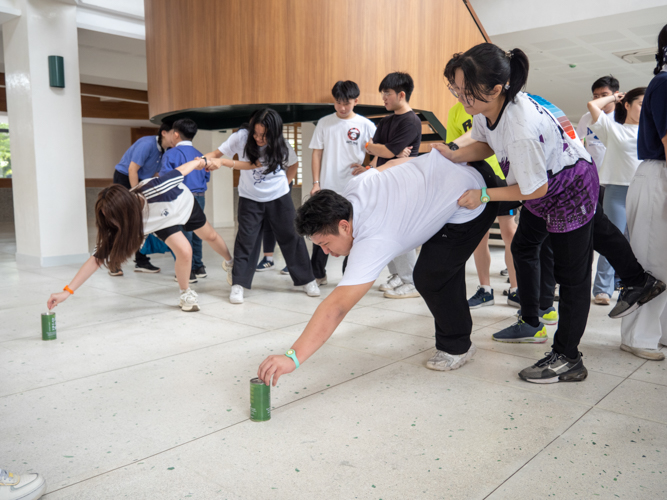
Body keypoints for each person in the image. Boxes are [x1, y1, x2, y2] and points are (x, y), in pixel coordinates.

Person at [436, 43, 664, 383]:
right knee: (530, 245)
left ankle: (568, 357)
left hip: (567, 186)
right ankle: (628, 283)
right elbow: (489, 142)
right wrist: (458, 154)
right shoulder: (489, 108)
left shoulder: (520, 125)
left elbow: (533, 190)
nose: (460, 98)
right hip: (552, 178)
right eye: (456, 88)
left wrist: (482, 195)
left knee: (571, 274)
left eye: (465, 91)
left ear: (496, 88)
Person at [257, 150, 496, 386]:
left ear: (344, 226)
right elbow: (392, 164)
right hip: (462, 164)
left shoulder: (374, 239)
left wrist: (293, 357)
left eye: (326, 244)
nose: (327, 252)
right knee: (440, 264)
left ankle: (457, 347)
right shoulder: (354, 186)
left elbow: (337, 307)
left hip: (475, 197)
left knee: (431, 275)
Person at [47, 158, 233, 313]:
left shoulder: (155, 188)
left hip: (182, 204)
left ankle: (231, 263)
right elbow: (96, 259)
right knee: (185, 251)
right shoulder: (120, 223)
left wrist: (201, 161)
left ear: (127, 210)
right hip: (162, 222)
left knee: (211, 236)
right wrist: (66, 292)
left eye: (115, 219)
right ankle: (186, 293)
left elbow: (181, 170)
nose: (113, 224)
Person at [205, 108, 319, 304]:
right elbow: (216, 153)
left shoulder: (281, 144)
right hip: (250, 197)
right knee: (246, 240)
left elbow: (293, 164)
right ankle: (238, 284)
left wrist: (286, 184)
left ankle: (307, 280)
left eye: (263, 135)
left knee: (292, 237)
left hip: (279, 196)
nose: (258, 138)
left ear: (273, 134)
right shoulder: (241, 137)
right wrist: (202, 160)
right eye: (255, 133)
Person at [620, 25, 667, 361]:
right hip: (658, 175)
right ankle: (639, 337)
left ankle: (659, 333)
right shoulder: (664, 84)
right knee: (653, 261)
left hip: (658, 175)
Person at [445, 101, 520, 308]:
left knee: (509, 233)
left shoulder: (490, 106)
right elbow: (454, 146)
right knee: (479, 237)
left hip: (503, 176)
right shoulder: (455, 111)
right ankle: (485, 289)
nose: (458, 92)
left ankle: (516, 289)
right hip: (476, 178)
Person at [309, 80, 377, 285]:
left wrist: (369, 168)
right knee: (321, 229)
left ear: (356, 100)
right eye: (338, 103)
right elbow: (316, 154)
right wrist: (316, 182)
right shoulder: (324, 123)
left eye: (347, 103)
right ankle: (318, 274)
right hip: (328, 187)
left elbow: (379, 151)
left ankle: (350, 276)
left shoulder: (366, 125)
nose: (343, 107)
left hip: (354, 189)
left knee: (351, 232)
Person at [364, 72, 422, 299]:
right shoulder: (386, 121)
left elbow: (385, 151)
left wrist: (384, 149)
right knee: (385, 231)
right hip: (383, 182)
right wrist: (375, 152)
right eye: (382, 94)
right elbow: (373, 149)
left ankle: (411, 281)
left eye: (387, 94)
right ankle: (398, 274)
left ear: (401, 94)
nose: (384, 98)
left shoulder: (412, 121)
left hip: (402, 184)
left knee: (400, 233)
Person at [588, 88, 646, 305]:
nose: (645, 108)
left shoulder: (652, 132)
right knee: (613, 240)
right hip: (617, 192)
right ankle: (602, 288)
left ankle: (629, 284)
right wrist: (614, 97)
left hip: (643, 190)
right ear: (628, 105)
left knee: (638, 243)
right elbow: (592, 106)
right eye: (641, 103)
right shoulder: (612, 129)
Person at [110, 122, 174, 275]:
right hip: (125, 179)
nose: (177, 137)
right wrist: (136, 194)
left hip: (141, 181)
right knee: (123, 222)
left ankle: (141, 261)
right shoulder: (146, 143)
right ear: (164, 133)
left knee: (142, 222)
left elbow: (156, 174)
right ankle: (114, 262)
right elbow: (132, 169)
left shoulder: (167, 150)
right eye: (175, 133)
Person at [160, 118, 210, 284]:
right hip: (200, 197)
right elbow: (207, 175)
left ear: (175, 134)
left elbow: (166, 179)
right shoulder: (200, 154)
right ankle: (198, 267)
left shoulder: (171, 154)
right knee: (198, 232)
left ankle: (187, 273)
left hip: (182, 198)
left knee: (181, 234)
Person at [576, 75, 620, 171]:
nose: (599, 100)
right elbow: (577, 139)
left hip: (613, 173)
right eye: (596, 96)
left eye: (604, 96)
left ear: (615, 95)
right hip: (592, 173)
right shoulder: (586, 117)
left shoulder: (622, 117)